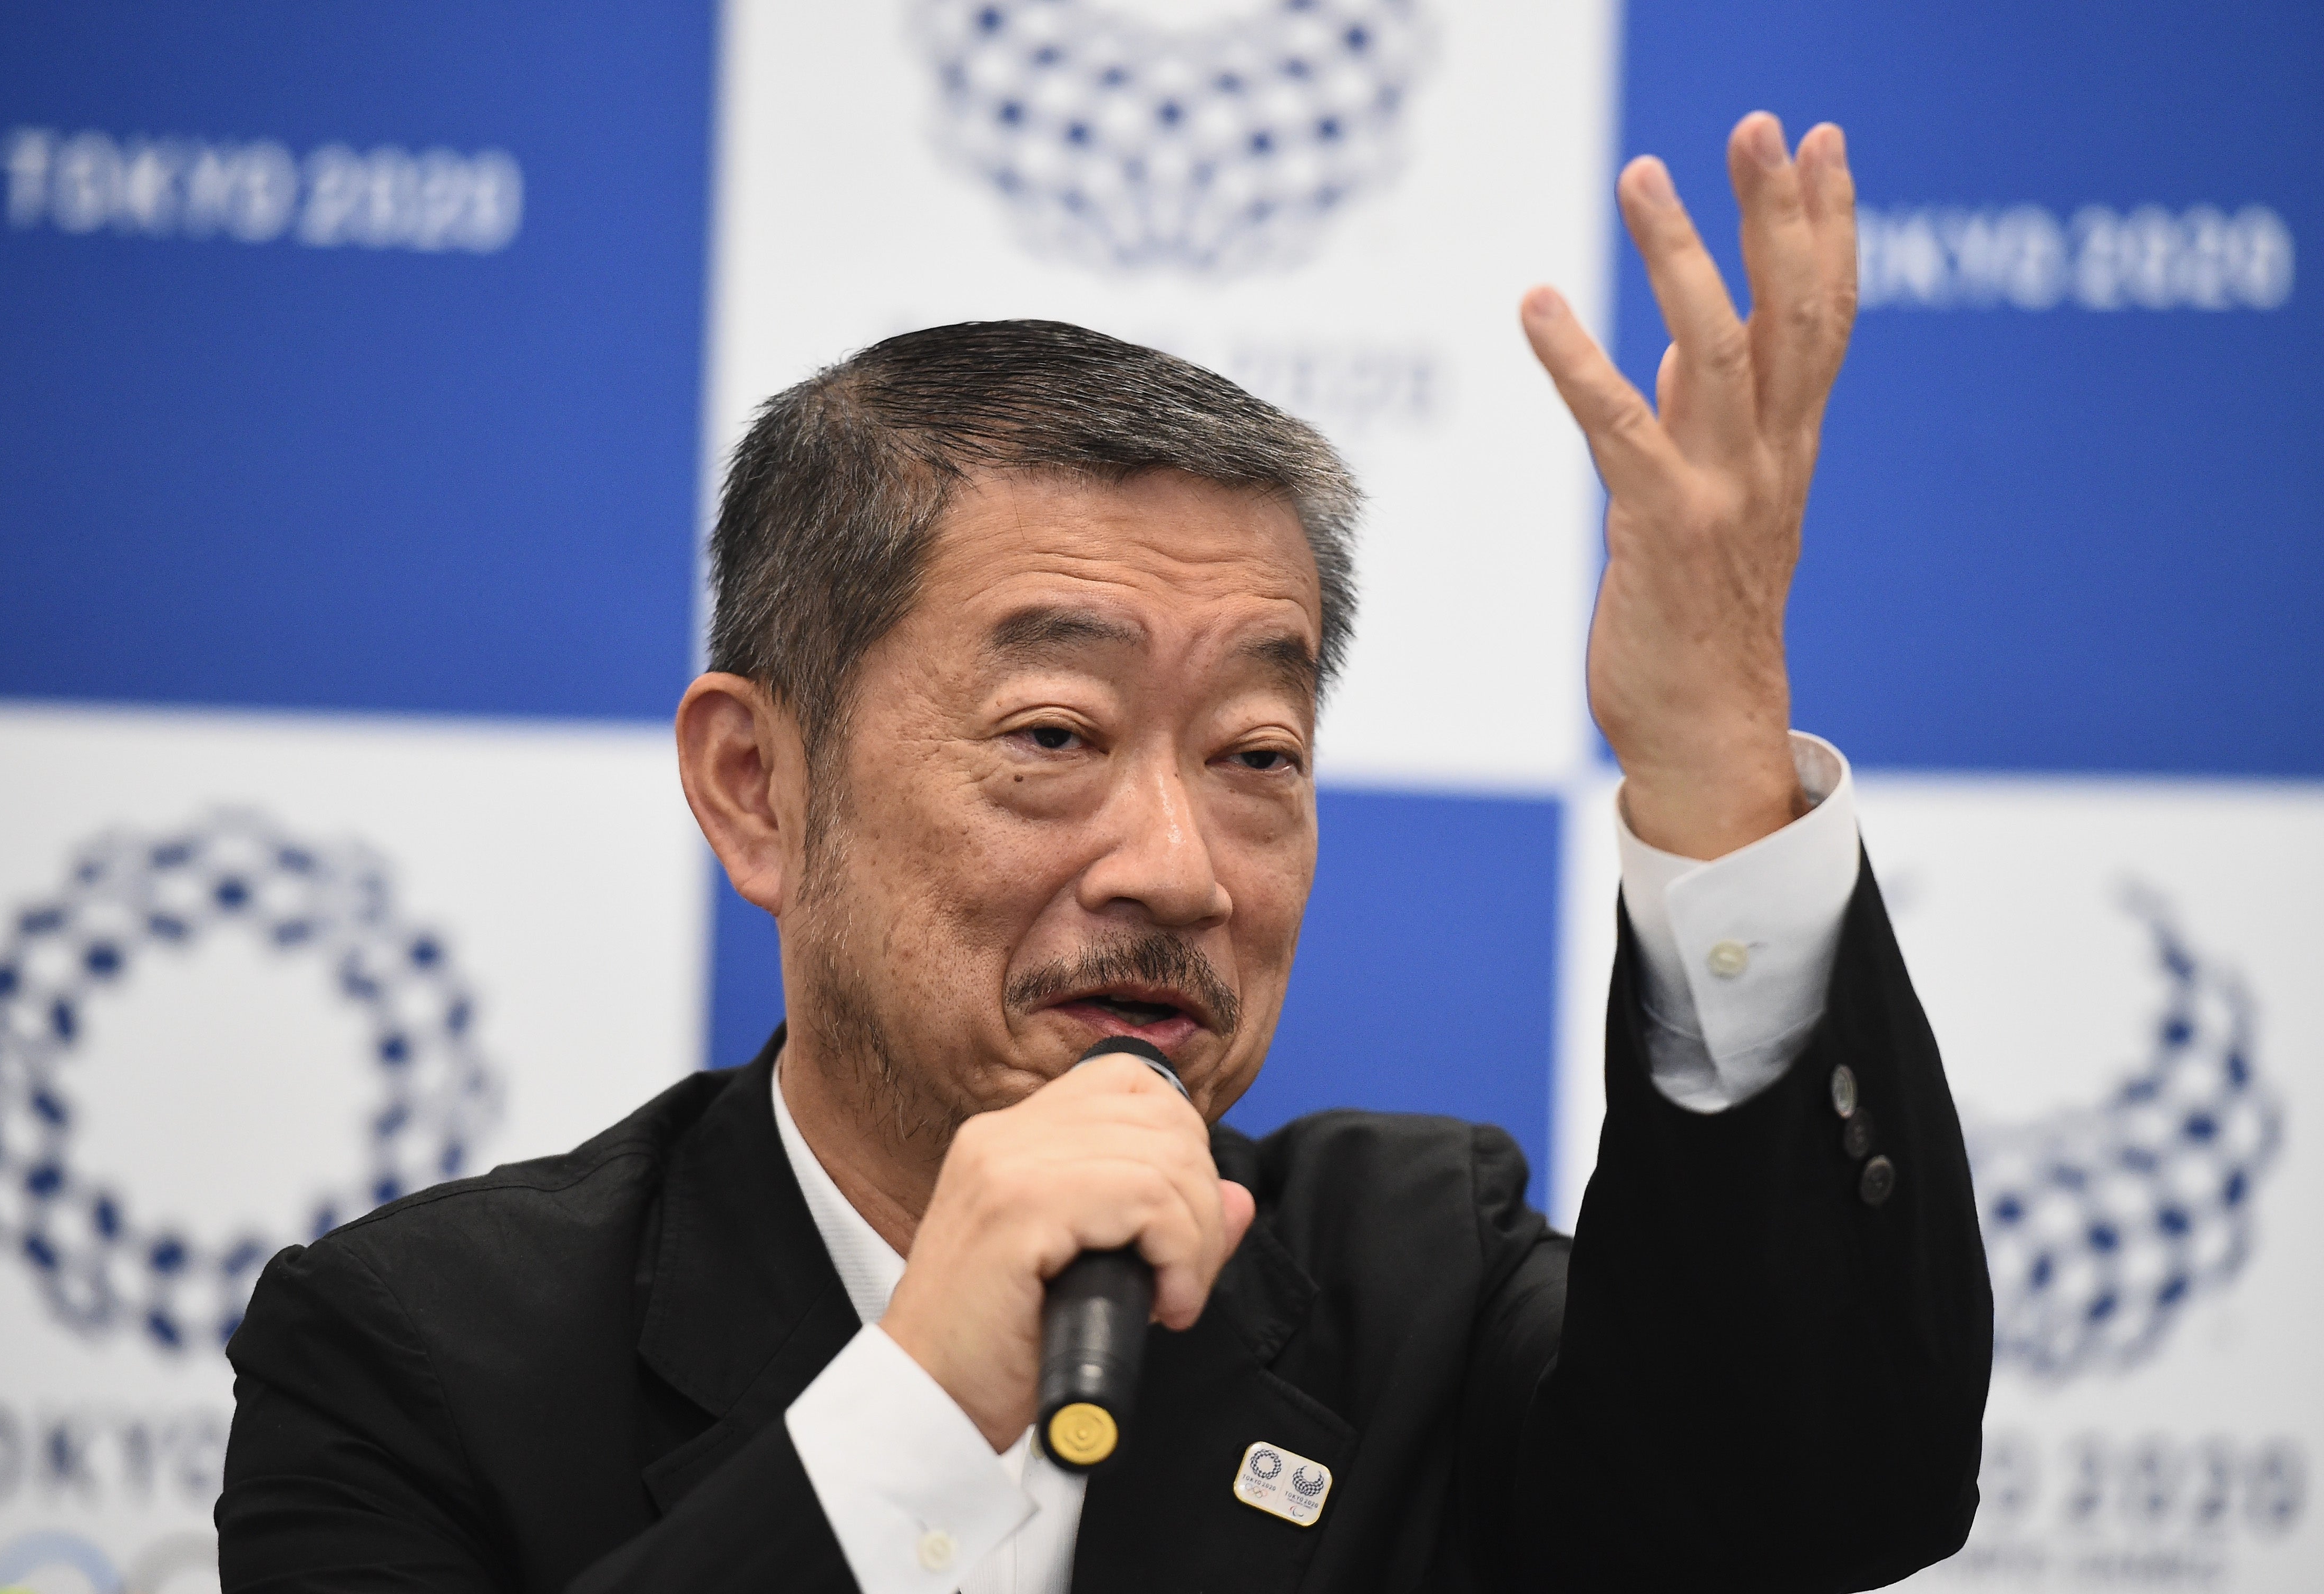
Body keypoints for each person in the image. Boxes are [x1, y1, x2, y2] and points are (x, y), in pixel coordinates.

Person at [218, 114, 1991, 1593]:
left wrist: (1713, 769)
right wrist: (917, 1408)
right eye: (1056, 738)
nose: (1178, 868)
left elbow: (1822, 1494)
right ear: (758, 785)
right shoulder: (421, 1357)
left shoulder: (1408, 1283)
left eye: (1256, 757)